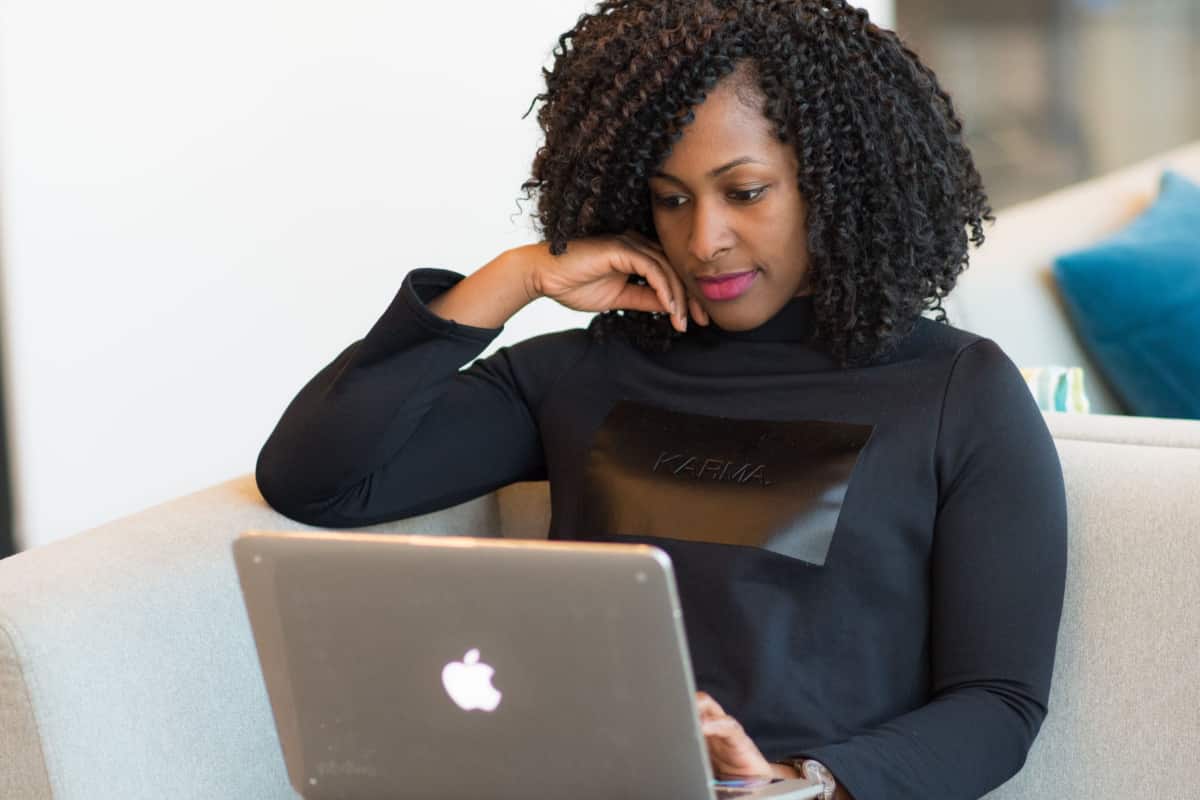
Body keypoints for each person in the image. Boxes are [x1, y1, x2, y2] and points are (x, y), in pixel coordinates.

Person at [255, 2, 1068, 798]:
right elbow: (317, 481)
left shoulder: (957, 392)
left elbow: (997, 703)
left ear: (836, 184)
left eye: (744, 192)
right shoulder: (589, 373)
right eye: (672, 198)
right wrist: (517, 278)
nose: (703, 239)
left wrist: (794, 785)